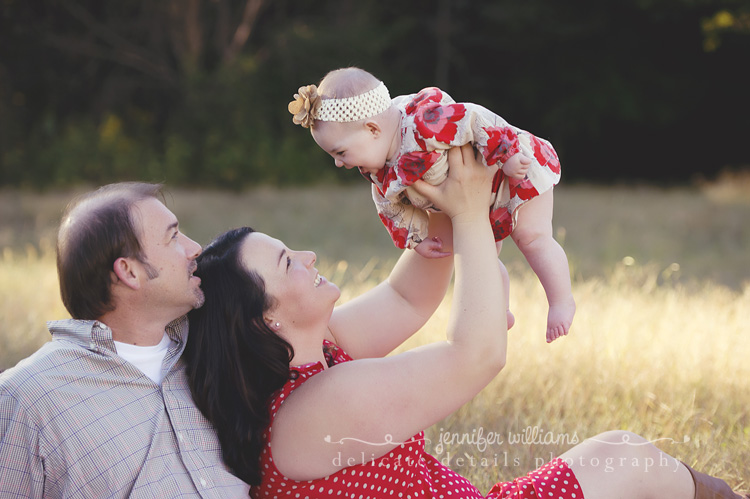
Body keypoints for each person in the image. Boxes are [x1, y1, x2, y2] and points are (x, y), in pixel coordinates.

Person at [184, 146, 746, 499]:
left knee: (627, 457)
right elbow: (475, 356)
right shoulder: (314, 409)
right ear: (264, 322)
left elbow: (406, 297)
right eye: (286, 262)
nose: (307, 256)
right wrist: (473, 214)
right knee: (628, 457)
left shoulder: (317, 352)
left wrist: (432, 186)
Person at [288, 66, 575, 343]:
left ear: (373, 129)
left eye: (340, 152)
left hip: (511, 172)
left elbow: (476, 119)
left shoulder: (424, 123)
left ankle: (561, 301)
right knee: (478, 254)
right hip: (477, 201)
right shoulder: (377, 167)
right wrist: (416, 238)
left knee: (531, 237)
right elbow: (389, 207)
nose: (338, 163)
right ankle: (499, 312)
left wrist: (508, 155)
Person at [0, 183, 249, 497]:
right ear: (129, 272)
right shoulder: (29, 397)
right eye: (173, 237)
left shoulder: (211, 347)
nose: (194, 248)